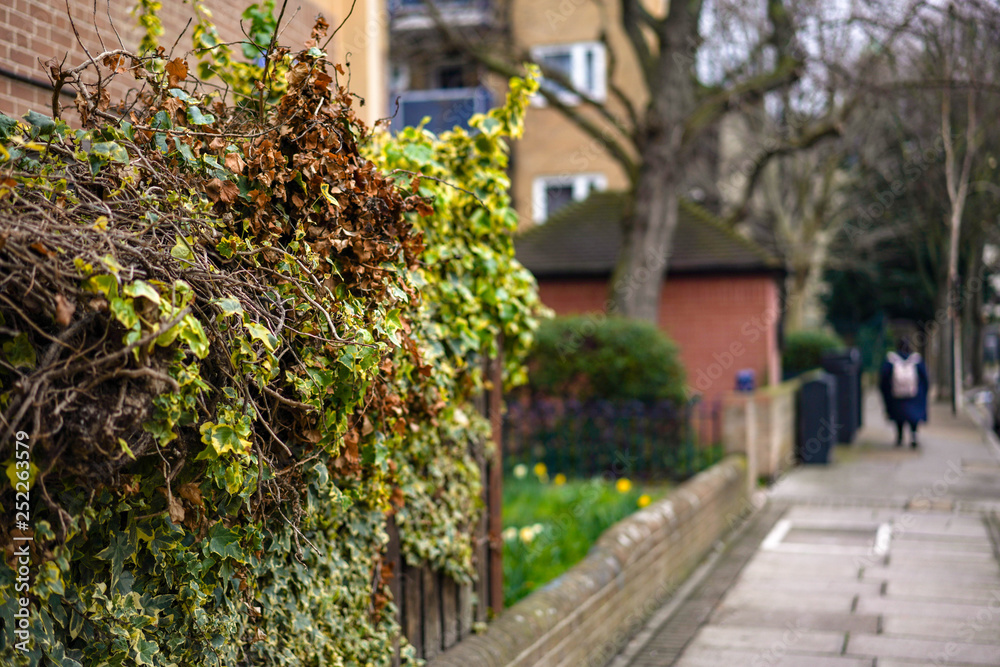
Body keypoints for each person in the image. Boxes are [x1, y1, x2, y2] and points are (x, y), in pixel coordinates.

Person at [879, 338, 929, 448]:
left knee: (898, 416)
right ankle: (914, 436)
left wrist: (886, 393)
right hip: (915, 396)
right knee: (913, 416)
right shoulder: (917, 360)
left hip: (896, 396)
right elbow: (925, 378)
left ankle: (899, 436)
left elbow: (883, 379)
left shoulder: (891, 360)